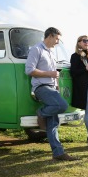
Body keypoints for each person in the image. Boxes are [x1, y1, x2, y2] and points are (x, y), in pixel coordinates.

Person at [25, 27, 79, 161]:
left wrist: (56, 86)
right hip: (41, 88)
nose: (57, 42)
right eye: (57, 39)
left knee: (53, 124)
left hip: (51, 88)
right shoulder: (36, 49)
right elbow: (29, 70)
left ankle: (58, 153)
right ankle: (41, 113)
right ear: (50, 36)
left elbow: (53, 74)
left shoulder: (51, 52)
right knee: (62, 105)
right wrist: (50, 74)